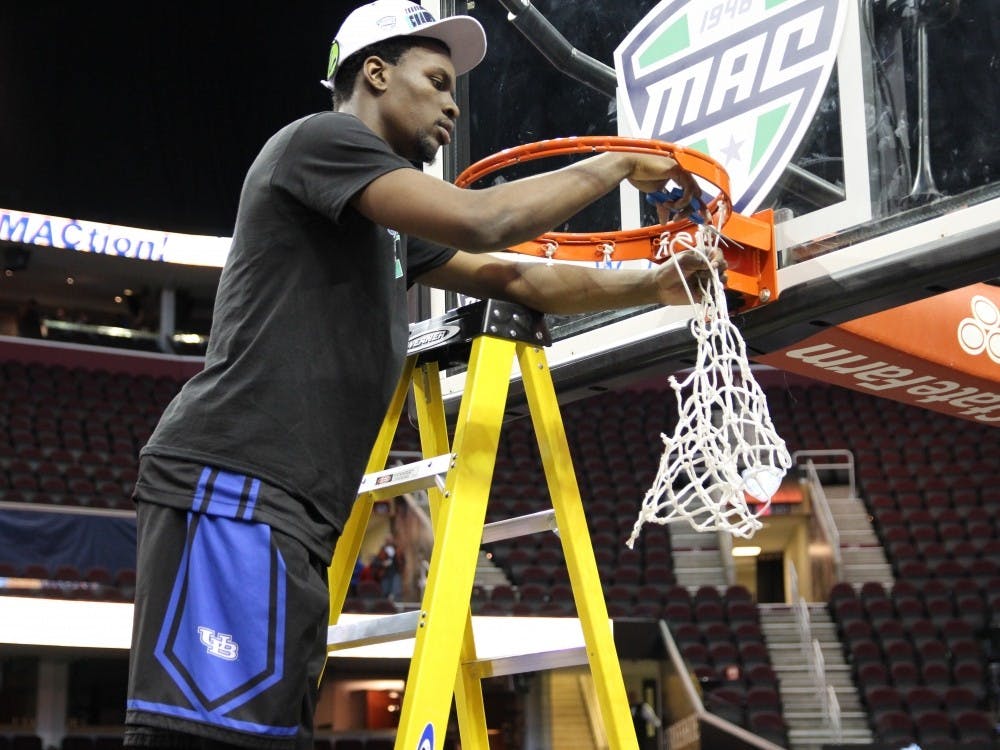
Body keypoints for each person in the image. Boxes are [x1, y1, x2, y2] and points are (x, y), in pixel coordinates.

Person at [123, 2, 726, 749]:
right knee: (200, 739)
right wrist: (616, 163)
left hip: (295, 509)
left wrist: (656, 284)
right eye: (437, 82)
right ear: (375, 73)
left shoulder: (384, 219)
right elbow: (482, 221)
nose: (452, 105)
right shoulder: (322, 141)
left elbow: (517, 277)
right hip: (237, 485)